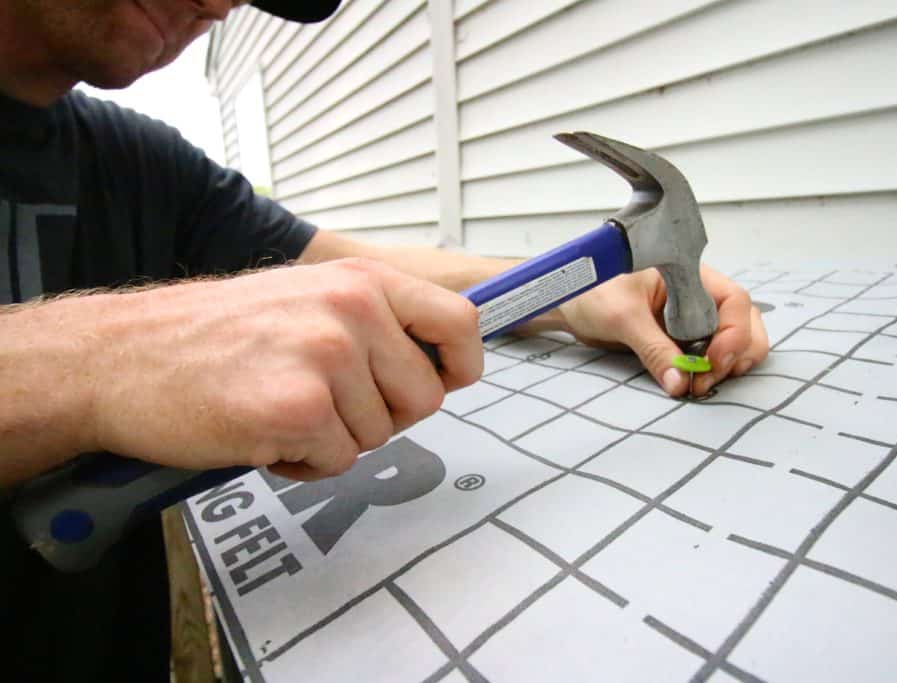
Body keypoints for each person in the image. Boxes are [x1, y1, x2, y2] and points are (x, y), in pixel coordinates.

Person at [0, 0, 769, 680]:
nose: (217, 3)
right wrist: (100, 361)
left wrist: (577, 294)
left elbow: (351, 268)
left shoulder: (138, 163)